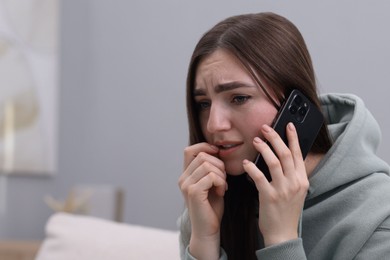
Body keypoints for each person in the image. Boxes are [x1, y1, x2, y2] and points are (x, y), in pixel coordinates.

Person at [177, 12, 390, 260]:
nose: (214, 125)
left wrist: (282, 240)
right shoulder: (210, 200)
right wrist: (204, 240)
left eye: (239, 98)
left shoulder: (379, 220)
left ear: (292, 102)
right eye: (203, 104)